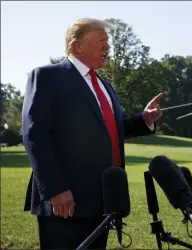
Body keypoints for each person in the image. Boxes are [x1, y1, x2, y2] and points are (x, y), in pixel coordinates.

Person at [22, 17, 163, 249]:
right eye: (101, 41)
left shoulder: (105, 87)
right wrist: (56, 189)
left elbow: (107, 130)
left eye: (107, 41)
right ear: (77, 45)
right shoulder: (48, 77)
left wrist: (143, 120)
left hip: (103, 201)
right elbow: (34, 134)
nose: (108, 47)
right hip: (65, 202)